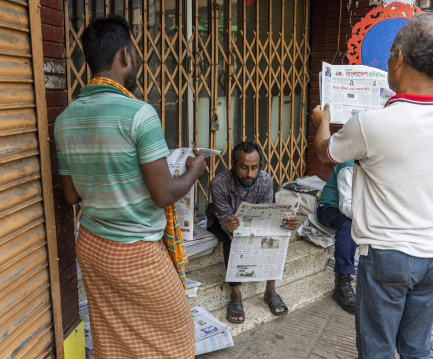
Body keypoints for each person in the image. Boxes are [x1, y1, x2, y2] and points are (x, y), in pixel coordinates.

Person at [311, 13, 433, 359]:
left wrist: (323, 122)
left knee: (377, 349)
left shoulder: (370, 124)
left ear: (398, 58)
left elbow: (326, 153)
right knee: (416, 347)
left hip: (387, 255)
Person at [55, 15, 205, 359]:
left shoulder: (65, 119)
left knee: (113, 335)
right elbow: (164, 194)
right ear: (125, 55)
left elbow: (71, 195)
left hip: (92, 244)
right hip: (134, 251)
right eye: (134, 54)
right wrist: (194, 171)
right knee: (177, 331)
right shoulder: (139, 114)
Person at [206, 142, 299, 324]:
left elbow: (266, 214)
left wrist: (285, 222)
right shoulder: (218, 183)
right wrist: (230, 225)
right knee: (232, 240)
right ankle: (235, 294)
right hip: (222, 223)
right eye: (244, 168)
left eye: (254, 168)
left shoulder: (265, 180)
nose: (249, 174)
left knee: (273, 235)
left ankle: (270, 290)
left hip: (252, 223)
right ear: (234, 165)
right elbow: (224, 217)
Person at [316, 160, 357, 314]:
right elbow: (346, 206)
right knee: (349, 225)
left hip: (357, 209)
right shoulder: (349, 166)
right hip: (329, 209)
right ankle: (342, 282)